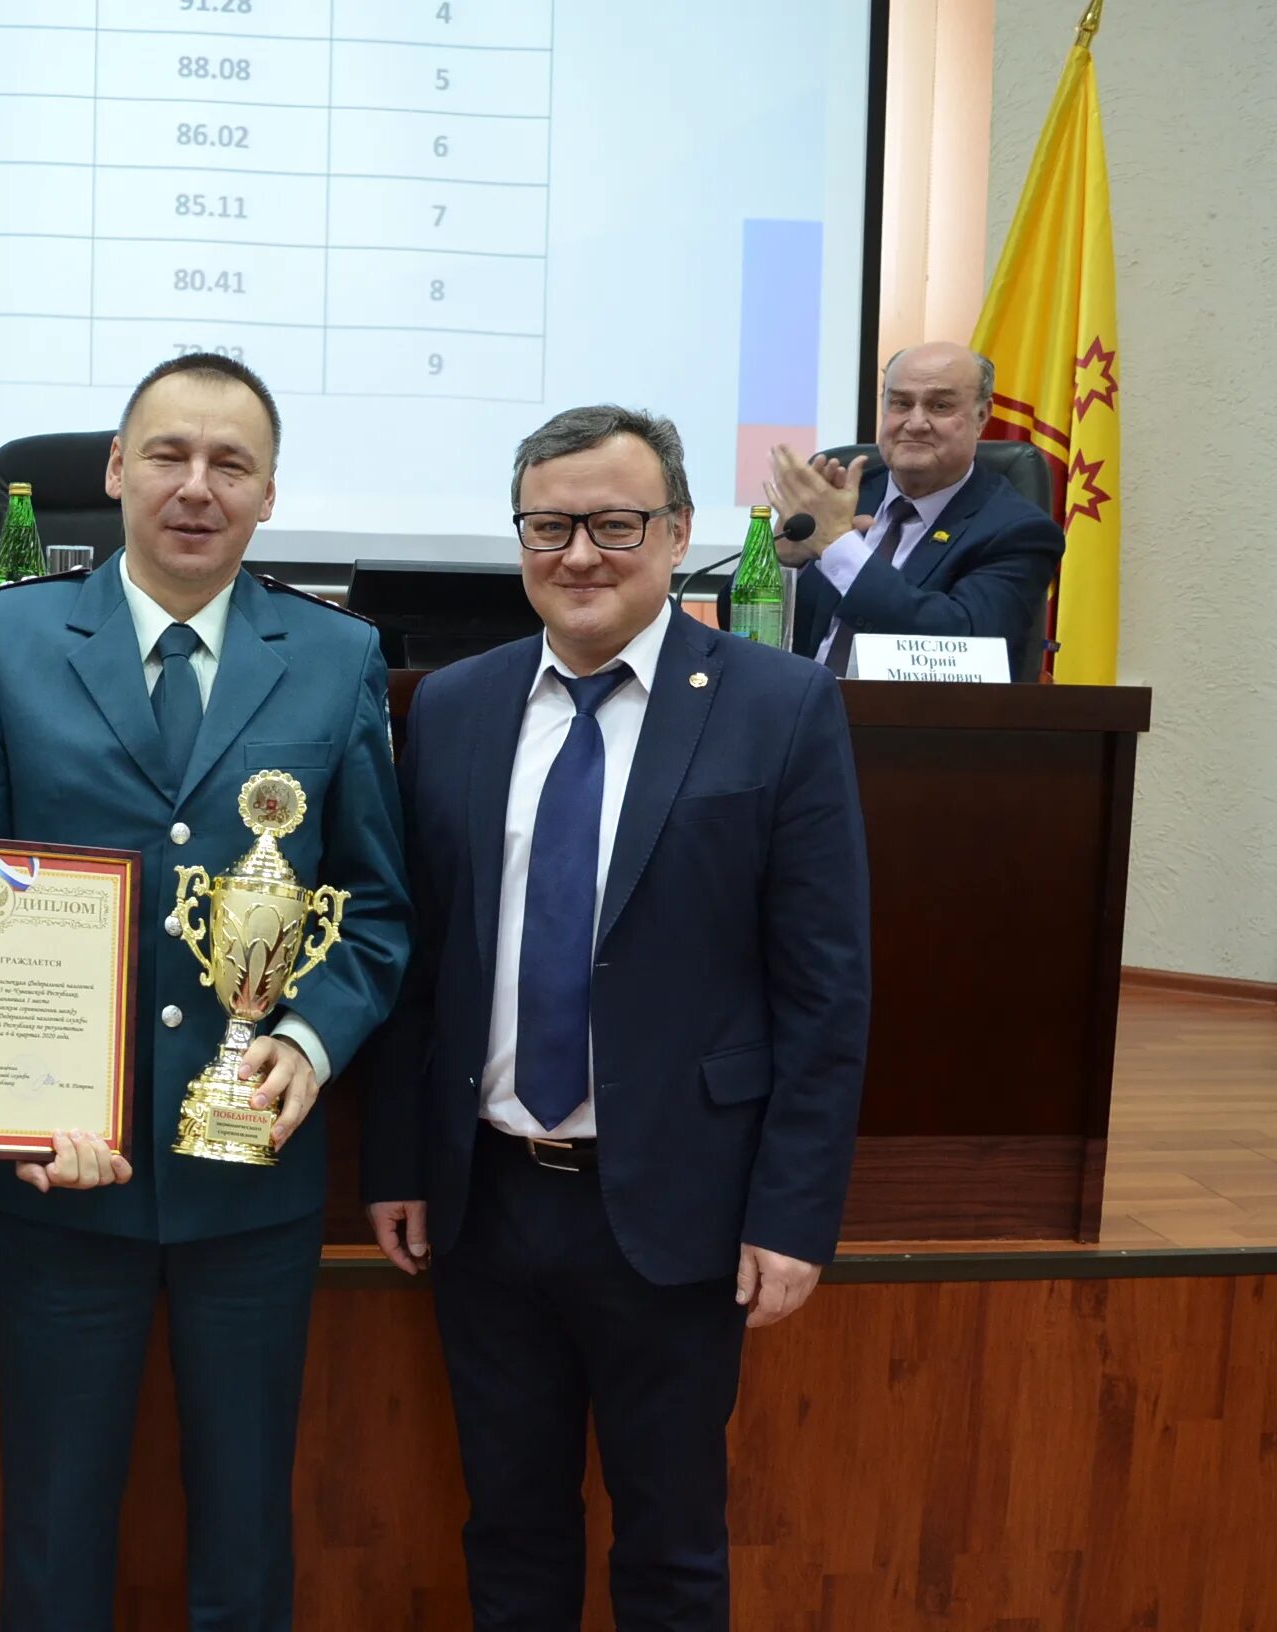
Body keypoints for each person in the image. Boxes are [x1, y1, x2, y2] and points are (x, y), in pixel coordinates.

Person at [0, 352, 409, 1631]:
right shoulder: (1, 639)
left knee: (247, 1530)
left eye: (230, 464)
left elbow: (375, 905)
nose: (198, 488)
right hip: (55, 1178)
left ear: (267, 493)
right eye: (170, 456)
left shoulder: (336, 654)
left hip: (252, 1181)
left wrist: (310, 1031)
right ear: (115, 472)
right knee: (52, 1525)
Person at [363, 405, 871, 1630]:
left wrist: (792, 1214)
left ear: (678, 531)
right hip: (488, 1205)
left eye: (614, 523)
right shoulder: (454, 707)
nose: (579, 553)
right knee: (511, 1531)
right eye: (549, 525)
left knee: (670, 1547)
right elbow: (419, 960)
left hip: (676, 1209)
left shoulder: (777, 706)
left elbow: (823, 985)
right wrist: (397, 1164)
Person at [766, 341, 1065, 680]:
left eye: (939, 406)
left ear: (982, 416)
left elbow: (964, 643)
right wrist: (780, 560)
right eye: (901, 403)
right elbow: (736, 620)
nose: (916, 422)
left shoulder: (1018, 530)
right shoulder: (842, 496)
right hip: (793, 717)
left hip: (911, 727)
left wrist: (839, 547)